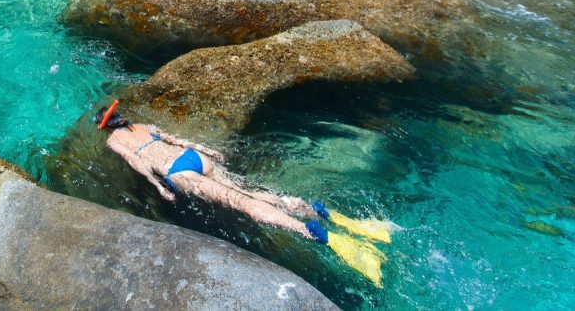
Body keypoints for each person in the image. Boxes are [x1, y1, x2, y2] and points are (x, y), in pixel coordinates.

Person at [95, 101, 392, 286]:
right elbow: (179, 139)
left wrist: (160, 186)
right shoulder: (144, 125)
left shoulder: (114, 142)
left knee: (244, 204)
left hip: (177, 172)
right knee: (251, 191)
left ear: (105, 127)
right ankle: (321, 212)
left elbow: (136, 163)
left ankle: (311, 231)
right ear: (120, 115)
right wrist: (208, 150)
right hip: (194, 158)